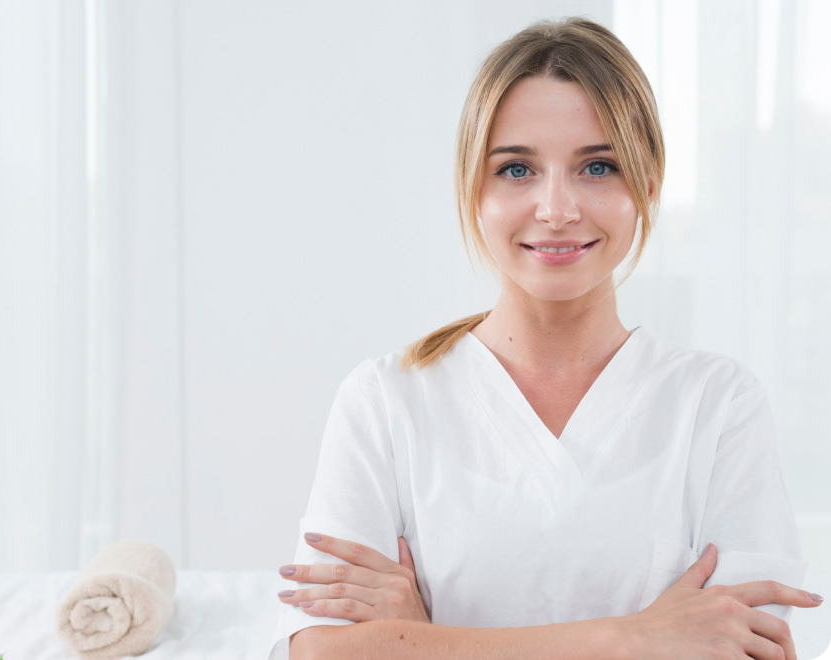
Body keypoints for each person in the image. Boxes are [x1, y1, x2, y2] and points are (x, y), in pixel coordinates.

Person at [269, 17, 823, 660]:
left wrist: (424, 641)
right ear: (473, 189)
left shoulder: (716, 405)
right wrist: (632, 637)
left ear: (647, 186)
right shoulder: (385, 401)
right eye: (516, 170)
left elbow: (746, 650)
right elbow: (322, 652)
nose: (557, 210)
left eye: (598, 166)